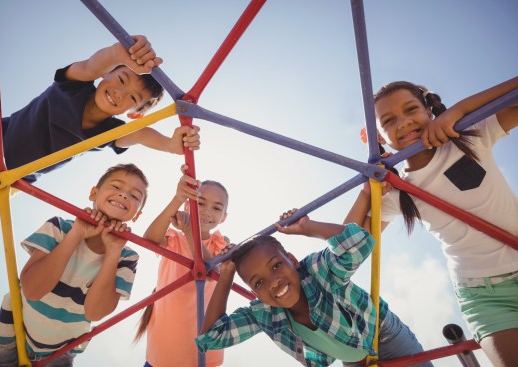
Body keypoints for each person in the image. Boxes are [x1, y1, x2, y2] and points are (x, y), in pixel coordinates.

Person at [348, 76, 518, 366]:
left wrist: (459, 111)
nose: (403, 123)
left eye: (411, 110)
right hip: (484, 295)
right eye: (388, 121)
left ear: (429, 110)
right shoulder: (396, 191)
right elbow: (348, 248)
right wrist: (366, 192)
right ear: (376, 137)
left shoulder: (470, 135)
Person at [0, 35, 200, 225]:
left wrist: (171, 145)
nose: (120, 93)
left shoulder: (109, 132)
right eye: (120, 79)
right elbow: (90, 66)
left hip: (5, 181)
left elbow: (140, 134)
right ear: (106, 74)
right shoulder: (72, 86)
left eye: (132, 97)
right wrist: (119, 53)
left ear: (135, 113)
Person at [196, 209, 433, 367]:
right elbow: (211, 338)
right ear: (254, 293)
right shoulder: (263, 313)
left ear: (293, 260)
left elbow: (358, 243)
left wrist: (308, 226)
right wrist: (226, 275)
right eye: (258, 282)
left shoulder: (317, 271)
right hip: (353, 359)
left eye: (277, 265)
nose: (273, 281)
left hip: (384, 336)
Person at [0, 163, 149, 367]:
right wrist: (76, 234)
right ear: (94, 193)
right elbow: (32, 290)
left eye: (135, 196)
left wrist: (113, 251)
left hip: (61, 351)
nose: (124, 195)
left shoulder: (126, 255)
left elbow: (95, 313)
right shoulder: (60, 227)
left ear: (137, 215)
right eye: (116, 186)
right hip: (11, 336)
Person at [134, 166, 230, 367]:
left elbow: (213, 272)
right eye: (200, 203)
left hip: (203, 353)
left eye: (216, 208)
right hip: (164, 350)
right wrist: (178, 198)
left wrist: (189, 231)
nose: (206, 212)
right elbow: (149, 238)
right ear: (188, 206)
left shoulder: (220, 243)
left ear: (224, 217)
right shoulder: (175, 238)